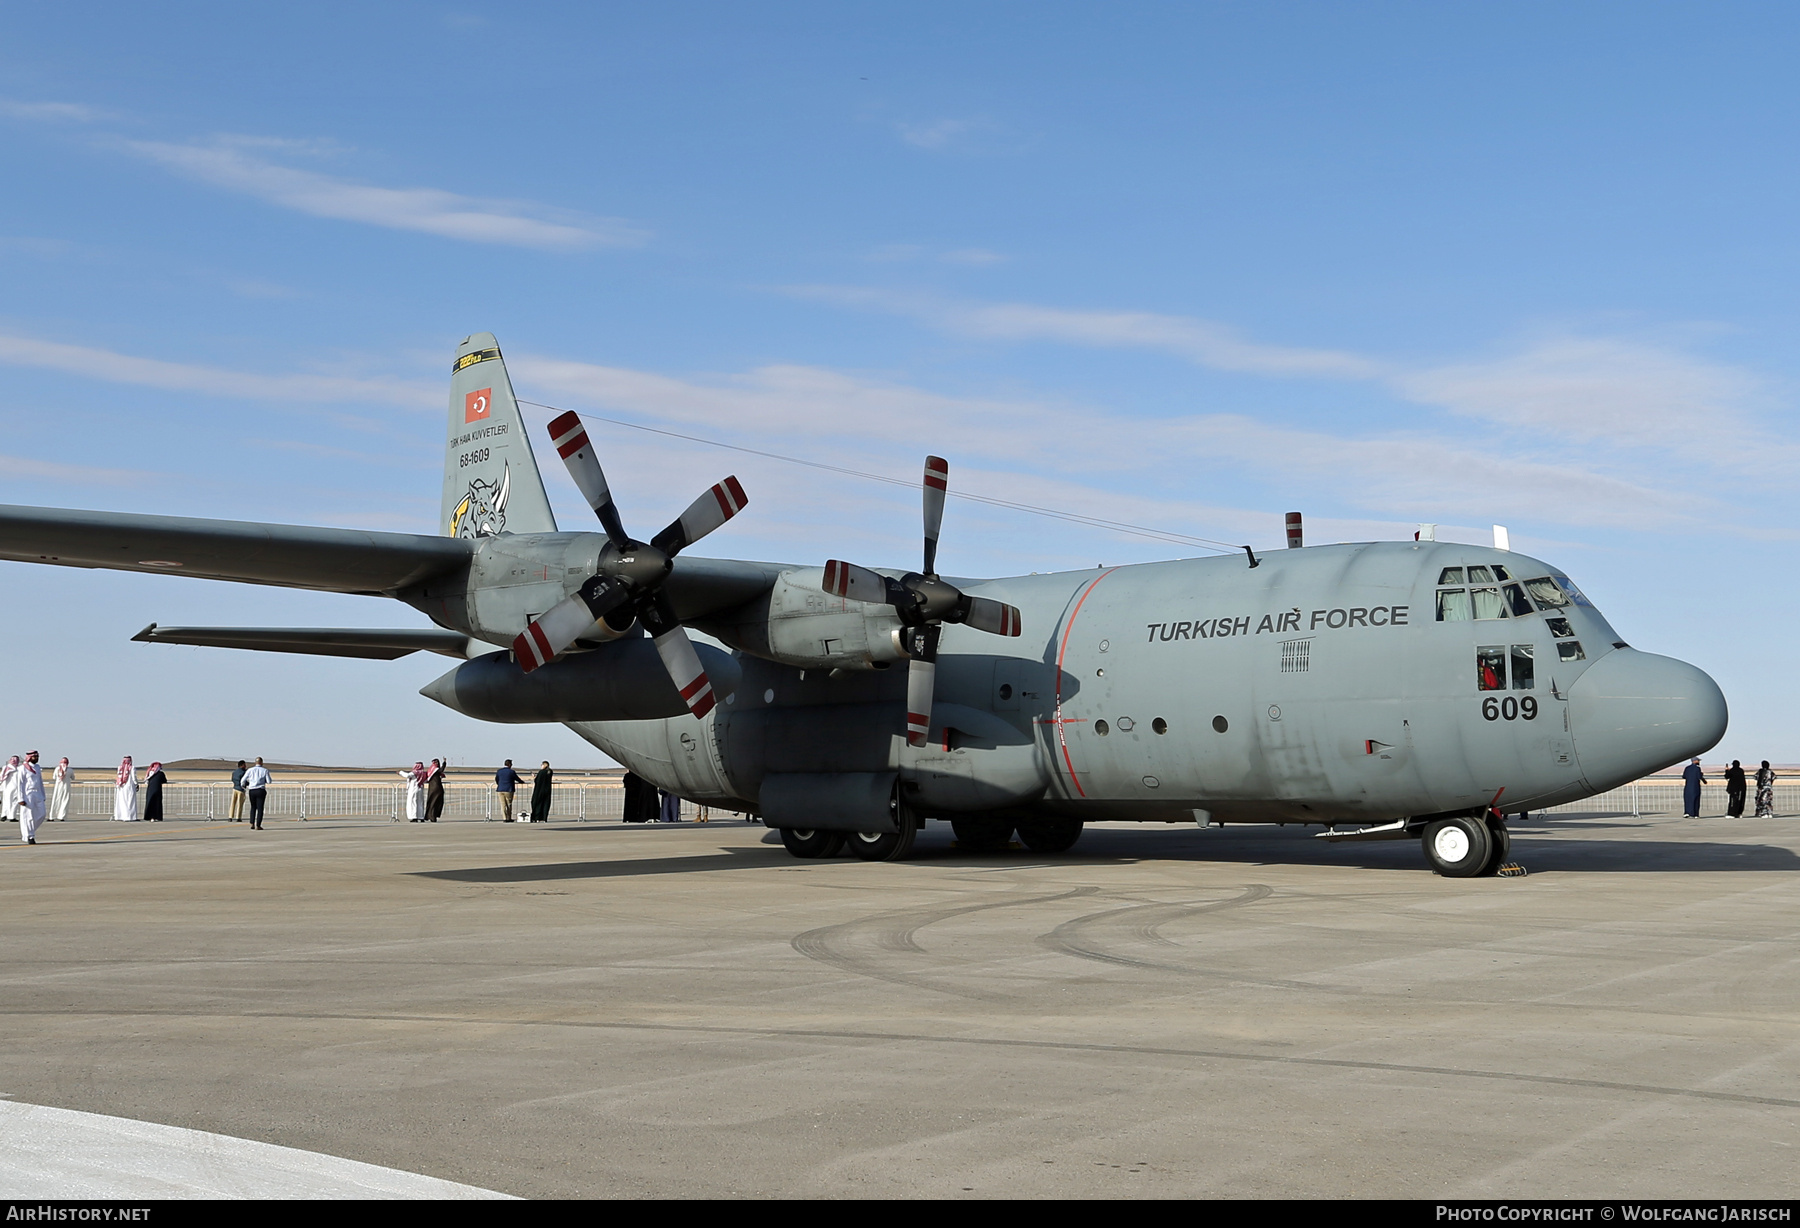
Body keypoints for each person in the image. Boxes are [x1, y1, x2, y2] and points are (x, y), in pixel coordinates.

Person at [16, 751, 45, 844]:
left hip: (38, 793)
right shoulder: (22, 768)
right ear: (29, 757)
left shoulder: (37, 767)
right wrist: (20, 798)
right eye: (35, 757)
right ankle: (30, 836)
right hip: (28, 794)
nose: (37, 758)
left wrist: (43, 795)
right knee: (28, 816)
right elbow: (20, 784)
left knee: (42, 814)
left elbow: (40, 782)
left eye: (37, 756)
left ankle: (30, 831)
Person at [242, 757, 271, 829]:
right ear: (261, 762)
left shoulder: (250, 770)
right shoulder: (264, 770)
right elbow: (269, 781)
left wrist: (244, 785)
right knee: (260, 808)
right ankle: (258, 824)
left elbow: (243, 780)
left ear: (255, 762)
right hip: (260, 789)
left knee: (253, 807)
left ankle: (252, 823)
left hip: (252, 790)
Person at [113, 756, 138, 822]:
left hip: (121, 787)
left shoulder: (120, 768)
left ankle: (120, 816)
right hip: (129, 786)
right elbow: (134, 777)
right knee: (130, 802)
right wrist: (136, 784)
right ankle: (130, 817)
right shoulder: (132, 768)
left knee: (122, 801)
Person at [48, 758, 71, 823]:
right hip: (66, 787)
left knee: (56, 800)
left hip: (58, 787)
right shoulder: (70, 770)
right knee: (65, 801)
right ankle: (62, 816)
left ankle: (52, 816)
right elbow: (73, 777)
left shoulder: (57, 769)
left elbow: (54, 777)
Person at [1, 755, 20, 823]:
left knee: (6, 802)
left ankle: (4, 815)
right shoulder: (15, 769)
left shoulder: (7, 768)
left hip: (8, 788)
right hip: (13, 787)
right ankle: (11, 816)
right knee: (13, 802)